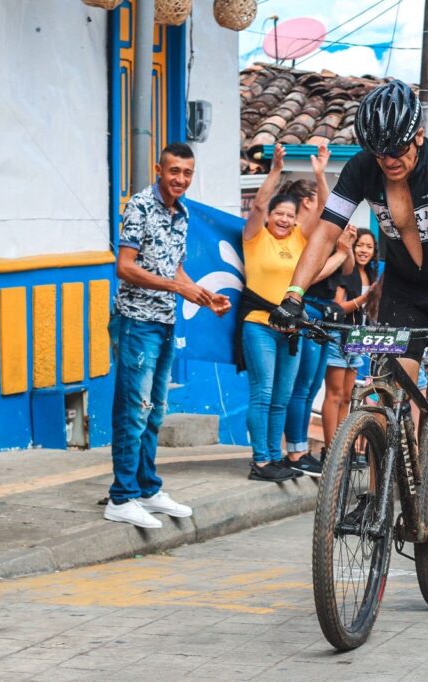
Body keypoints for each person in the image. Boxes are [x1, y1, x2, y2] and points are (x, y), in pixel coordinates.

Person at [270, 79, 428, 544]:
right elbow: (326, 232)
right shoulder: (363, 168)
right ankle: (381, 494)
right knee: (388, 387)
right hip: (403, 288)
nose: (389, 161)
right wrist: (293, 292)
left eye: (397, 150)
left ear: (417, 135)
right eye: (379, 153)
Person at [106, 143, 231, 529]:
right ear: (159, 168)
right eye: (174, 171)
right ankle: (121, 496)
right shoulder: (140, 206)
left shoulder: (183, 213)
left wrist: (205, 296)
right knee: (133, 409)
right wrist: (177, 290)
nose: (180, 179)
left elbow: (173, 268)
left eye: (187, 174)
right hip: (136, 321)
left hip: (164, 322)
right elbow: (124, 267)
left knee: (155, 411)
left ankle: (147, 488)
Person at [237, 142, 330, 482]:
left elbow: (322, 211)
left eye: (290, 216)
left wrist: (320, 176)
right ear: (270, 216)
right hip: (259, 324)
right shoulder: (255, 237)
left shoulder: (298, 241)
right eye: (280, 214)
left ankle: (276, 458)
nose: (284, 219)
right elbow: (260, 203)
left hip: (291, 330)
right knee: (262, 393)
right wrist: (275, 170)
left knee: (282, 395)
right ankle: (260, 460)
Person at [284, 225, 356, 476]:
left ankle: (302, 451)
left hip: (325, 317)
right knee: (302, 386)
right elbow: (309, 277)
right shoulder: (312, 241)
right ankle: (296, 451)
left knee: (312, 388)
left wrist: (346, 249)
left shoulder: (335, 244)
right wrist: (339, 253)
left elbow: (348, 273)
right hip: (309, 312)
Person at [322, 228, 377, 445]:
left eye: (369, 246)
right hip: (338, 335)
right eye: (360, 245)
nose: (364, 250)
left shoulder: (371, 274)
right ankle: (330, 449)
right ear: (352, 247)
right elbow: (336, 308)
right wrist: (364, 298)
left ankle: (342, 449)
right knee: (334, 395)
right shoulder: (347, 272)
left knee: (347, 397)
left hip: (356, 339)